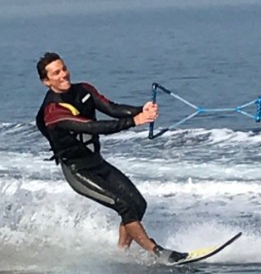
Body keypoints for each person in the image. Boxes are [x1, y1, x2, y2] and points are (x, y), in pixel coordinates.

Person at [34, 52, 186, 262]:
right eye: (56, 73)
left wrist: (140, 110)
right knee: (124, 205)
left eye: (64, 68)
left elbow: (112, 109)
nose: (63, 75)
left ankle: (120, 255)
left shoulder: (84, 89)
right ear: (46, 81)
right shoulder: (53, 111)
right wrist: (135, 121)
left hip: (97, 163)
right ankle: (158, 253)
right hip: (78, 171)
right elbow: (93, 127)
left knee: (138, 204)